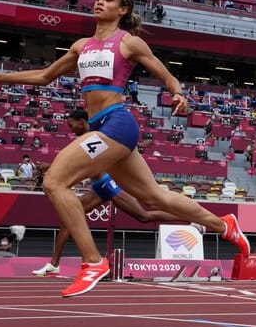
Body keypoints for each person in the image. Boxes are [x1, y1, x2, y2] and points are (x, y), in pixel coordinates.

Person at [0, 0, 249, 297]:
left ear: (122, 10)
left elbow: (166, 74)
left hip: (118, 124)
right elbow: (44, 76)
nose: (99, 2)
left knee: (54, 181)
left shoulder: (129, 42)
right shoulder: (82, 46)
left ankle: (92, 263)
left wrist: (178, 94)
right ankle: (225, 226)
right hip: (103, 127)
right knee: (156, 198)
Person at [32, 109, 206, 276]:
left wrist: (52, 169)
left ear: (81, 122)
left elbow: (103, 159)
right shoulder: (87, 139)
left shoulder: (96, 135)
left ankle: (191, 219)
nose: (70, 130)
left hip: (109, 184)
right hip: (98, 188)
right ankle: (53, 264)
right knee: (67, 221)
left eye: (72, 125)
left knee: (144, 216)